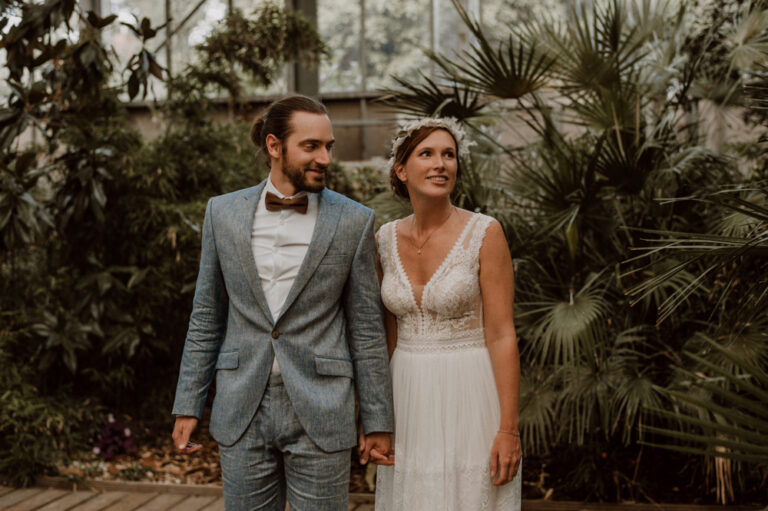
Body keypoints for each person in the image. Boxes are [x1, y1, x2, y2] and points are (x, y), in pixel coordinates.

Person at [171, 94, 394, 511]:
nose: (324, 157)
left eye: (328, 146)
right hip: (241, 405)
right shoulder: (222, 213)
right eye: (311, 146)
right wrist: (188, 404)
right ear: (275, 146)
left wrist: (378, 420)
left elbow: (366, 327)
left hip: (322, 408)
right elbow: (206, 315)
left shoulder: (353, 221)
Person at [374, 117, 522, 510]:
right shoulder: (384, 240)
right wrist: (375, 418)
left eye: (449, 155)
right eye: (427, 153)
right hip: (405, 394)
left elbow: (502, 334)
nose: (441, 164)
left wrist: (509, 429)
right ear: (402, 170)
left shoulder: (485, 233)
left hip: (470, 392)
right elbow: (386, 336)